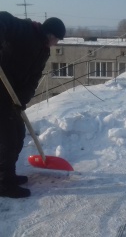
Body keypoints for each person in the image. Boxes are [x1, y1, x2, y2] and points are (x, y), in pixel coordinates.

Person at [0, 11, 66, 198]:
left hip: (12, 97)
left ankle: (8, 176)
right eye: (58, 40)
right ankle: (3, 183)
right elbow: (2, 18)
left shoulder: (43, 50)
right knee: (7, 139)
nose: (57, 44)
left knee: (19, 134)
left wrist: (22, 99)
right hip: (0, 89)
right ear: (50, 35)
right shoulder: (25, 30)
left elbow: (34, 78)